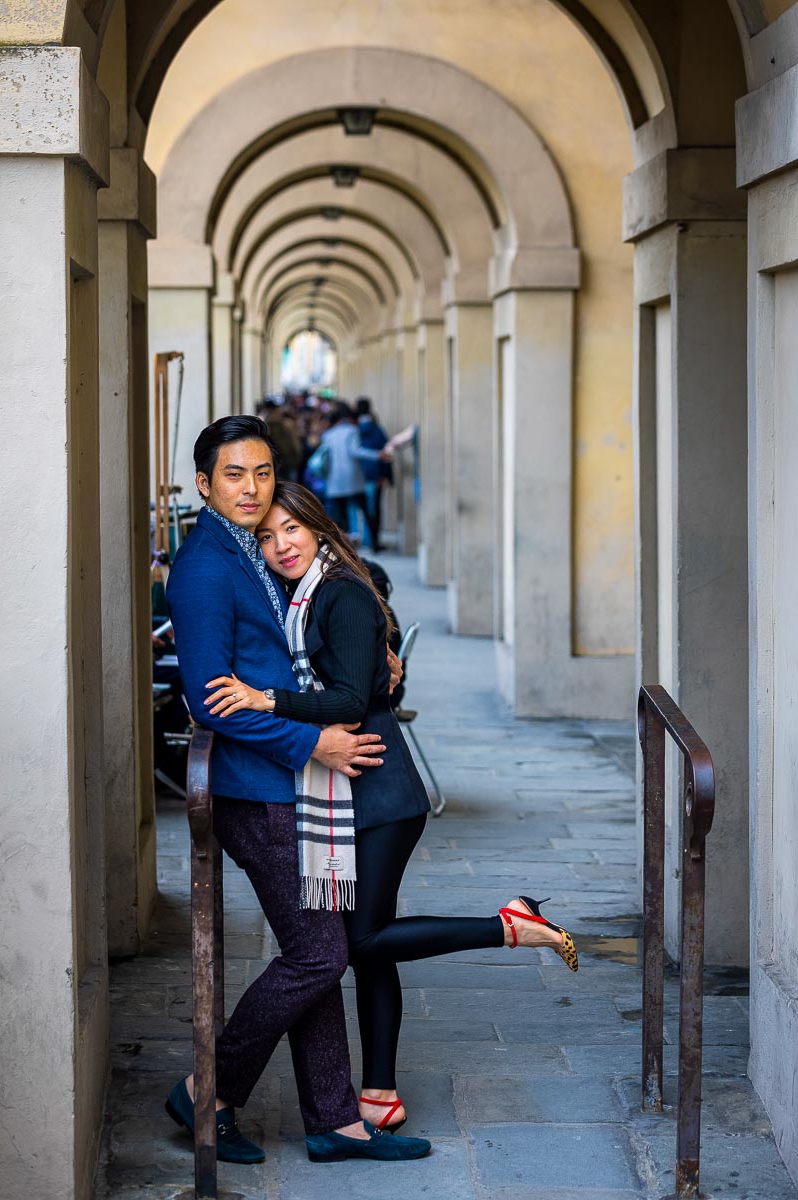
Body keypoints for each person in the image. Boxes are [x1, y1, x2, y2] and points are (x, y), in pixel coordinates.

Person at [204, 482, 579, 1134]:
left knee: (359, 941)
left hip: (378, 793)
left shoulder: (338, 593)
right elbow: (370, 588)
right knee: (370, 945)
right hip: (346, 790)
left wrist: (268, 699)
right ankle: (379, 1091)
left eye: (290, 529)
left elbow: (348, 702)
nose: (280, 544)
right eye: (266, 536)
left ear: (317, 527)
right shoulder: (307, 594)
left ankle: (509, 926)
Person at [165, 415, 432, 1165]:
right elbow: (211, 698)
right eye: (233, 476)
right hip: (259, 788)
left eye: (261, 474)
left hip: (290, 784)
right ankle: (206, 1088)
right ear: (205, 485)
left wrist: (370, 653)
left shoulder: (244, 546)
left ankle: (334, 1121)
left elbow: (298, 626)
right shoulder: (205, 567)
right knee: (320, 954)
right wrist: (313, 739)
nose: (250, 489)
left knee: (312, 950)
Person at [320, 402, 380, 548]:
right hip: (353, 478)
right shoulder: (352, 431)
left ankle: (338, 546)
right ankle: (374, 543)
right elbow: (355, 451)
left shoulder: (328, 434)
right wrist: (377, 455)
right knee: (366, 510)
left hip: (335, 479)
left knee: (336, 515)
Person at [355, 397, 390, 552]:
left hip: (358, 476)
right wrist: (385, 474)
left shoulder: (354, 429)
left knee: (360, 510)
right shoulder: (376, 429)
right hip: (375, 476)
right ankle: (374, 541)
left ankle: (364, 540)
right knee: (374, 509)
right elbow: (385, 451)